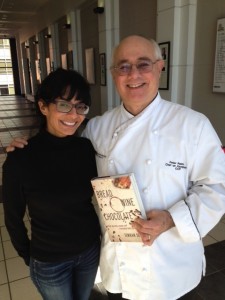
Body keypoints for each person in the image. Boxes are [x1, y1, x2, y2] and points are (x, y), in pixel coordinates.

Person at [6, 36, 225, 300]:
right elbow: (64, 159)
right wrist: (27, 148)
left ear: (160, 67)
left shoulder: (193, 125)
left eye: (143, 64)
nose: (133, 74)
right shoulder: (97, 128)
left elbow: (215, 187)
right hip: (119, 265)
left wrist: (170, 219)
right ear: (113, 74)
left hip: (170, 264)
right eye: (123, 66)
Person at [2, 68, 101, 300]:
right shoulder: (21, 158)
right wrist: (29, 256)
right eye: (64, 104)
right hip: (49, 261)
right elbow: (12, 218)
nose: (73, 114)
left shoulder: (86, 149)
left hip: (89, 251)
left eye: (80, 106)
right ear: (43, 106)